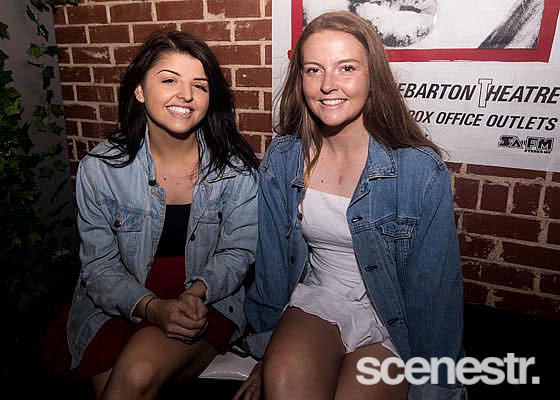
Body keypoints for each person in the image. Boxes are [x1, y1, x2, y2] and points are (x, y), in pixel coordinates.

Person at [235, 11, 465, 400]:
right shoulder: (285, 158)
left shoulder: (419, 171)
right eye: (313, 70)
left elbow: (436, 294)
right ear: (300, 80)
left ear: (373, 76)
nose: (328, 85)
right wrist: (267, 348)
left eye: (346, 68)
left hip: (393, 316)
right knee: (284, 380)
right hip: (320, 299)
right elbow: (272, 264)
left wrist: (435, 385)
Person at [42, 31, 258, 399]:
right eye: (169, 80)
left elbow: (237, 253)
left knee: (137, 374)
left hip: (205, 296)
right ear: (140, 91)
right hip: (122, 296)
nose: (186, 95)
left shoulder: (236, 172)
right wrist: (152, 308)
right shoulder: (101, 169)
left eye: (199, 85)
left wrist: (196, 292)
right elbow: (99, 267)